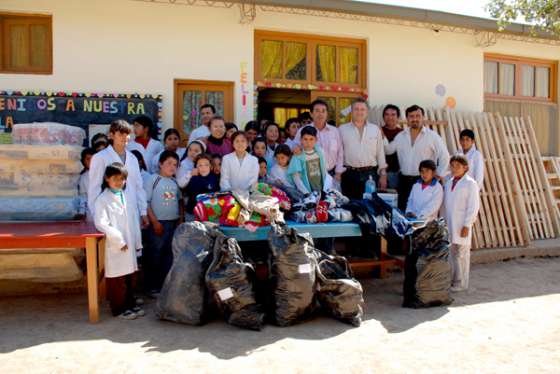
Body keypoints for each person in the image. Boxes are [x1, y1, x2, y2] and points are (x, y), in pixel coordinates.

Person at [88, 120, 148, 260]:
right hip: (110, 213)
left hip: (131, 211)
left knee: (131, 257)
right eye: (121, 133)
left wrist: (143, 211)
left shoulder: (133, 158)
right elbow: (94, 188)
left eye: (128, 134)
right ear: (111, 135)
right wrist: (98, 216)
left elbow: (138, 186)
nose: (125, 137)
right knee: (113, 257)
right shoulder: (100, 157)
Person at [93, 162, 144, 320]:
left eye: (122, 179)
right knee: (117, 278)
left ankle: (129, 304)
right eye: (115, 178)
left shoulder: (126, 196)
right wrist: (119, 240)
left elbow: (134, 220)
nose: (119, 182)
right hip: (117, 245)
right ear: (107, 178)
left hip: (130, 243)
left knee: (130, 276)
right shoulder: (102, 199)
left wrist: (137, 242)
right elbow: (101, 223)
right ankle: (119, 308)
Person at [384, 105, 450, 211]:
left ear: (423, 117)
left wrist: (437, 176)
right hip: (404, 181)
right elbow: (388, 150)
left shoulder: (432, 136)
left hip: (423, 181)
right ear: (407, 119)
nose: (415, 119)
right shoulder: (401, 136)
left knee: (422, 213)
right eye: (411, 116)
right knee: (404, 211)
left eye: (418, 116)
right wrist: (382, 136)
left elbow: (445, 156)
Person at [144, 151, 184, 296]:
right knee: (155, 254)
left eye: (175, 165)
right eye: (168, 163)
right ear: (160, 163)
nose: (172, 167)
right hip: (158, 224)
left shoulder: (174, 182)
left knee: (169, 255)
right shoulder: (153, 179)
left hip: (173, 223)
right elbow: (146, 203)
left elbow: (180, 202)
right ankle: (152, 287)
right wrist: (154, 222)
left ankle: (165, 287)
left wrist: (180, 220)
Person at [444, 155, 480, 292]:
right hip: (450, 223)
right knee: (451, 253)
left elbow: (473, 206)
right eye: (452, 166)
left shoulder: (471, 183)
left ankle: (461, 283)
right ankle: (453, 281)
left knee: (461, 254)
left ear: (465, 168)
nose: (454, 169)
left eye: (458, 166)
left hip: (462, 224)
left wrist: (467, 224)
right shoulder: (449, 183)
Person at [339, 98, 388, 200]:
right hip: (349, 175)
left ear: (367, 112)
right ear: (351, 112)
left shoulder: (375, 129)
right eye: (356, 109)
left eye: (362, 109)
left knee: (370, 207)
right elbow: (338, 154)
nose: (359, 112)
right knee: (350, 206)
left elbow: (380, 153)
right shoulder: (342, 129)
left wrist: (383, 175)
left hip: (370, 175)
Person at [295, 99, 344, 182]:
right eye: (317, 111)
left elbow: (340, 153)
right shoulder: (303, 131)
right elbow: (295, 149)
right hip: (309, 175)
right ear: (311, 114)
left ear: (327, 114)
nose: (320, 114)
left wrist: (338, 172)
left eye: (323, 111)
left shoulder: (335, 131)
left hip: (331, 174)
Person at [288, 126, 332, 194]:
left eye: (311, 139)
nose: (308, 142)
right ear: (301, 139)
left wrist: (325, 190)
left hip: (322, 190)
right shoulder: (297, 156)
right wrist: (306, 193)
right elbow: (297, 179)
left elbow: (325, 171)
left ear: (316, 140)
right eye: (305, 139)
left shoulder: (320, 152)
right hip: (307, 192)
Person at [185, 153, 220, 219]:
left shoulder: (214, 178)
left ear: (211, 167)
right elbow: (194, 194)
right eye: (200, 165)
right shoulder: (194, 178)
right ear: (196, 167)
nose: (203, 168)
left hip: (209, 213)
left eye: (206, 165)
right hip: (193, 213)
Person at [381, 104, 403, 189]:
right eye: (387, 114)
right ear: (383, 117)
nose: (390, 117)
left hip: (397, 173)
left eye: (393, 114)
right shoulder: (378, 131)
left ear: (398, 117)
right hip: (380, 173)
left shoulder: (403, 134)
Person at [77, 148, 95, 220]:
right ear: (83, 161)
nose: (91, 161)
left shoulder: (104, 174)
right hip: (91, 213)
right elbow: (83, 196)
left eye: (93, 159)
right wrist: (82, 212)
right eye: (88, 159)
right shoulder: (83, 177)